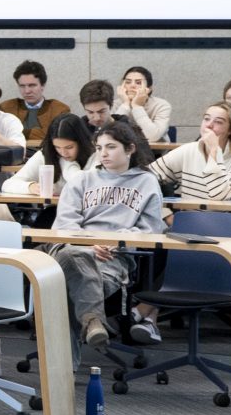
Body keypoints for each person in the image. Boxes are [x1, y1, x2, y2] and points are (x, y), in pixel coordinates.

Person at [52, 119, 168, 367]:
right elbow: (64, 224)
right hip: (76, 249)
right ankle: (93, 320)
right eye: (99, 147)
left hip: (113, 258)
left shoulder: (146, 182)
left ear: (130, 149)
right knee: (73, 258)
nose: (103, 153)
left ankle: (64, 372)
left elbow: (151, 229)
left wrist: (116, 244)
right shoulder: (81, 180)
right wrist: (88, 246)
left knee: (62, 289)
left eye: (111, 146)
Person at [151, 100, 231, 202]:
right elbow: (147, 176)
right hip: (190, 220)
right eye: (206, 119)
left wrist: (214, 151)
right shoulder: (188, 150)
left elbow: (220, 196)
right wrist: (164, 212)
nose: (209, 125)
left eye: (218, 122)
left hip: (229, 221)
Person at [4, 113, 94, 198]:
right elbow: (8, 185)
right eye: (57, 147)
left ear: (81, 143)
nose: (63, 153)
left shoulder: (96, 155)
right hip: (54, 209)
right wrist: (31, 187)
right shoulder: (46, 154)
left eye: (69, 147)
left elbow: (86, 184)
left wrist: (68, 166)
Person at [1, 60, 67, 146]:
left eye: (32, 85)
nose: (27, 91)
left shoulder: (59, 109)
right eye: (22, 86)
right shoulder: (7, 108)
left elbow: (60, 139)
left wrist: (19, 136)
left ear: (42, 85)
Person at [114, 65, 174, 144]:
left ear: (149, 88)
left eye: (138, 83)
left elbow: (152, 137)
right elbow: (111, 134)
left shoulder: (162, 105)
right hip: (121, 153)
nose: (132, 86)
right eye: (128, 82)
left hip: (155, 153)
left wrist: (137, 106)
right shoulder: (115, 104)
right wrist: (125, 104)